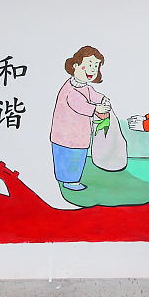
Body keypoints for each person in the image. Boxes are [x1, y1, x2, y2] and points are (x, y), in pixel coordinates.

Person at [50, 46, 111, 192]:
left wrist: (103, 99)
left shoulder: (85, 87)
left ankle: (71, 179)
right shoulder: (70, 89)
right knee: (68, 158)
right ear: (75, 65)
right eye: (89, 64)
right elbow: (79, 104)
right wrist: (96, 109)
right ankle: (69, 181)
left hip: (80, 135)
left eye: (95, 66)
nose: (92, 70)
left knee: (78, 157)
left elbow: (93, 95)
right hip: (65, 136)